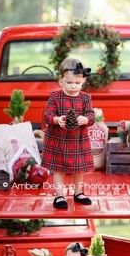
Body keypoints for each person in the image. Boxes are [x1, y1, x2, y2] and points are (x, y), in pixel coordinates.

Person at [41, 58, 95, 210]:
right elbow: (47, 115)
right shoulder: (55, 97)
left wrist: (86, 119)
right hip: (58, 139)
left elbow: (91, 115)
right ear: (61, 81)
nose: (73, 86)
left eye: (77, 83)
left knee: (79, 168)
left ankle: (78, 193)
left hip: (78, 140)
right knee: (58, 169)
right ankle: (59, 195)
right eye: (69, 82)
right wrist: (57, 119)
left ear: (83, 81)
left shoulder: (85, 98)